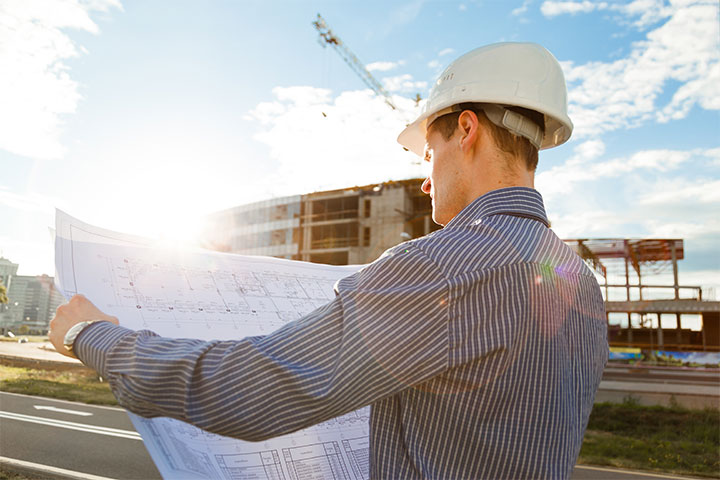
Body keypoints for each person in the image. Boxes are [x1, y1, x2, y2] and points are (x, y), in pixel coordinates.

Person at [50, 42, 608, 479]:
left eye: (428, 151)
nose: (423, 176)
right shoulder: (575, 279)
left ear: (465, 129)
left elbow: (248, 390)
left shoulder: (445, 266)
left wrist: (92, 337)